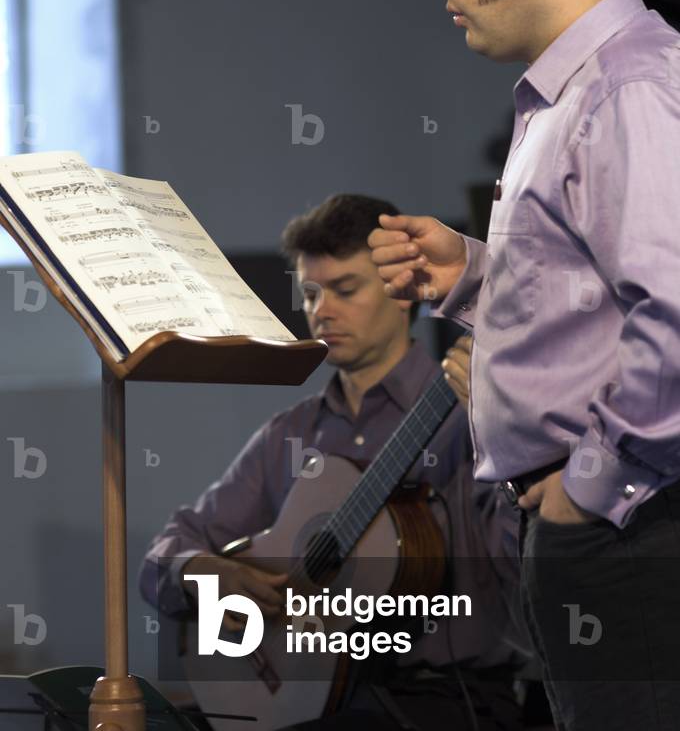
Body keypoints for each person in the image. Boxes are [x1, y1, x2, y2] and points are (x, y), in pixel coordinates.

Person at [368, 0, 680, 731]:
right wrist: (471, 271)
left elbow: (674, 312)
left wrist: (592, 486)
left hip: (627, 528)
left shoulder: (631, 87)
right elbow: (597, 294)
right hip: (599, 527)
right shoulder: (580, 87)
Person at [140, 194, 526, 731]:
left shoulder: (468, 416)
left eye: (346, 289)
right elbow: (163, 557)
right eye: (311, 293)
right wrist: (204, 572)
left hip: (445, 704)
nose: (323, 309)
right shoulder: (289, 436)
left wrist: (506, 437)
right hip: (306, 697)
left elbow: (526, 569)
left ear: (402, 292)